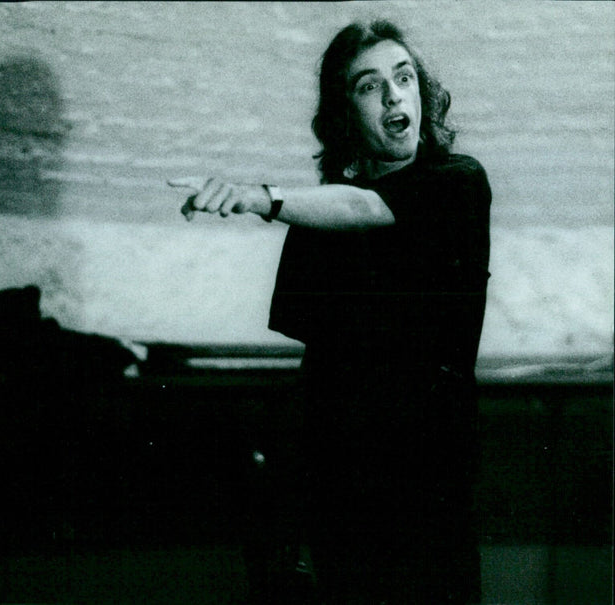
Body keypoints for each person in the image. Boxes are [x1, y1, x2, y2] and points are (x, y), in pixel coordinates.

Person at [169, 19, 491, 605]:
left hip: (426, 494)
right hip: (342, 496)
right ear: (345, 111)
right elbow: (320, 371)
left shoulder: (457, 183)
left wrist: (256, 197)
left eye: (404, 78)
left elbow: (369, 207)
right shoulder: (323, 215)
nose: (395, 96)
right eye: (370, 86)